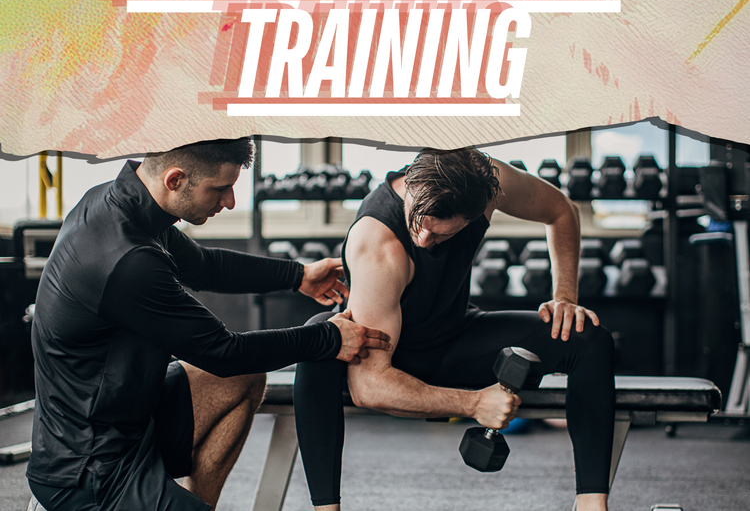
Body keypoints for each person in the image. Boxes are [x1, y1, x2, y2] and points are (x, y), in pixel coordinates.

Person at [26, 137, 391, 511]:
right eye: (220, 189)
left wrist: (298, 275)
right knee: (234, 365)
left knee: (245, 378)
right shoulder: (127, 261)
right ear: (175, 180)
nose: (230, 201)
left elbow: (205, 266)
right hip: (90, 470)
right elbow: (224, 352)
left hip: (133, 418)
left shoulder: (128, 207)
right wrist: (328, 338)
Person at [294, 147, 615, 511]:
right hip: (383, 358)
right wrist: (475, 403)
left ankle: (591, 505)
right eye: (420, 224)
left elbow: (561, 210)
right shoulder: (378, 243)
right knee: (318, 337)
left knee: (589, 338)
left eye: (440, 235)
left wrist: (565, 298)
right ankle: (326, 509)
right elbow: (369, 387)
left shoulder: (491, 181)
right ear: (413, 184)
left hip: (453, 335)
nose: (423, 241)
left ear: (478, 212)